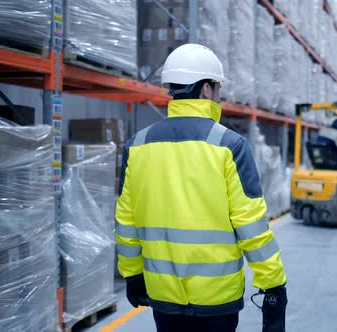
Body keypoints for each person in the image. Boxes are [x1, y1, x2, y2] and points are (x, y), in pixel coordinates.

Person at [115, 43, 288, 332]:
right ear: (206, 89)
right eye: (218, 89)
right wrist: (273, 286)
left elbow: (127, 222)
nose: (220, 97)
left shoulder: (138, 145)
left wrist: (132, 275)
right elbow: (252, 226)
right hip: (217, 299)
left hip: (163, 295)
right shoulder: (229, 145)